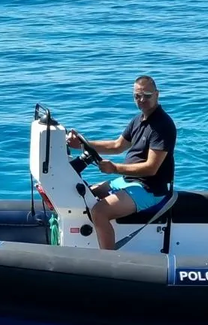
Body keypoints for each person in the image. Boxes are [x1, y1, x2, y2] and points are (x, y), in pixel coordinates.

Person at [67, 75, 177, 250]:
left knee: (99, 211)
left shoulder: (162, 126)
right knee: (87, 193)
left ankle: (108, 260)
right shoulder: (138, 120)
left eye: (147, 95)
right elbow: (116, 146)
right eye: (137, 96)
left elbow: (151, 168)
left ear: (157, 94)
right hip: (128, 181)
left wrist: (114, 168)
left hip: (149, 189)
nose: (142, 100)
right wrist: (81, 145)